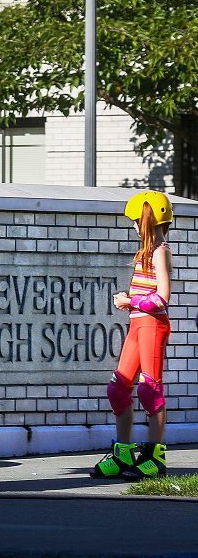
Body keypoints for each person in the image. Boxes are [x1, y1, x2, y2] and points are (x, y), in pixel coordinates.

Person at [91, 191, 173, 479]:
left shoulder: (160, 251)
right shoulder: (145, 253)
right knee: (118, 388)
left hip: (152, 324)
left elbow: (162, 298)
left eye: (137, 221)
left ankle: (155, 458)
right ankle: (123, 454)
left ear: (147, 219)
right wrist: (131, 302)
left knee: (150, 390)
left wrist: (130, 301)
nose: (135, 226)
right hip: (139, 325)